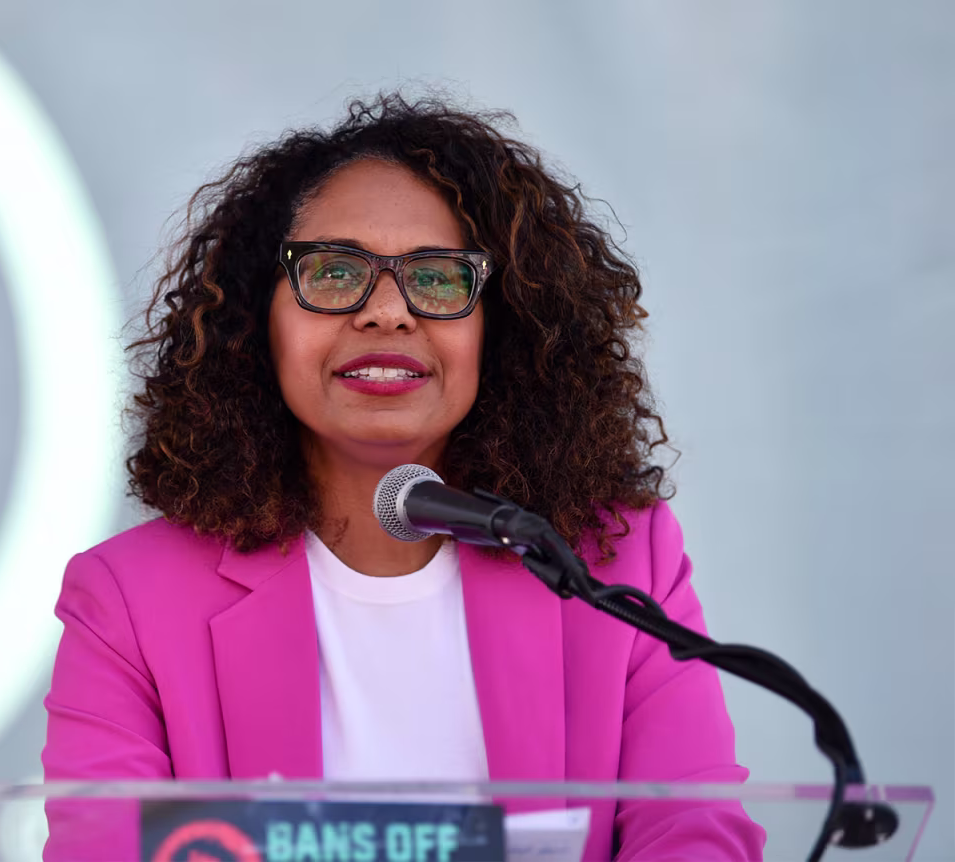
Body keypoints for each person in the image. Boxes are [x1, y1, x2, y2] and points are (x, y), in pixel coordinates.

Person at [42, 94, 765, 860]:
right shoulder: (130, 600)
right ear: (258, 321)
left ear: (502, 325)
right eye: (333, 273)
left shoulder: (618, 560)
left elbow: (697, 833)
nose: (387, 312)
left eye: (439, 280)